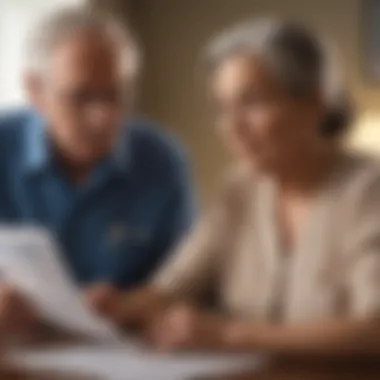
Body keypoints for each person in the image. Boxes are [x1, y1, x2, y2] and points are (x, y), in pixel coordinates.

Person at [114, 18, 380, 356]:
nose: (232, 127)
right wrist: (113, 307)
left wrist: (230, 335)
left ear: (316, 101)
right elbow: (173, 287)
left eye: (252, 103)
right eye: (223, 109)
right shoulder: (238, 189)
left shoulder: (369, 192)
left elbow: (375, 330)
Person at [0, 6, 194, 337]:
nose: (103, 117)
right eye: (81, 97)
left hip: (120, 350)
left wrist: (130, 304)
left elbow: (184, 283)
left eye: (115, 95)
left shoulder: (161, 160)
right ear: (35, 91)